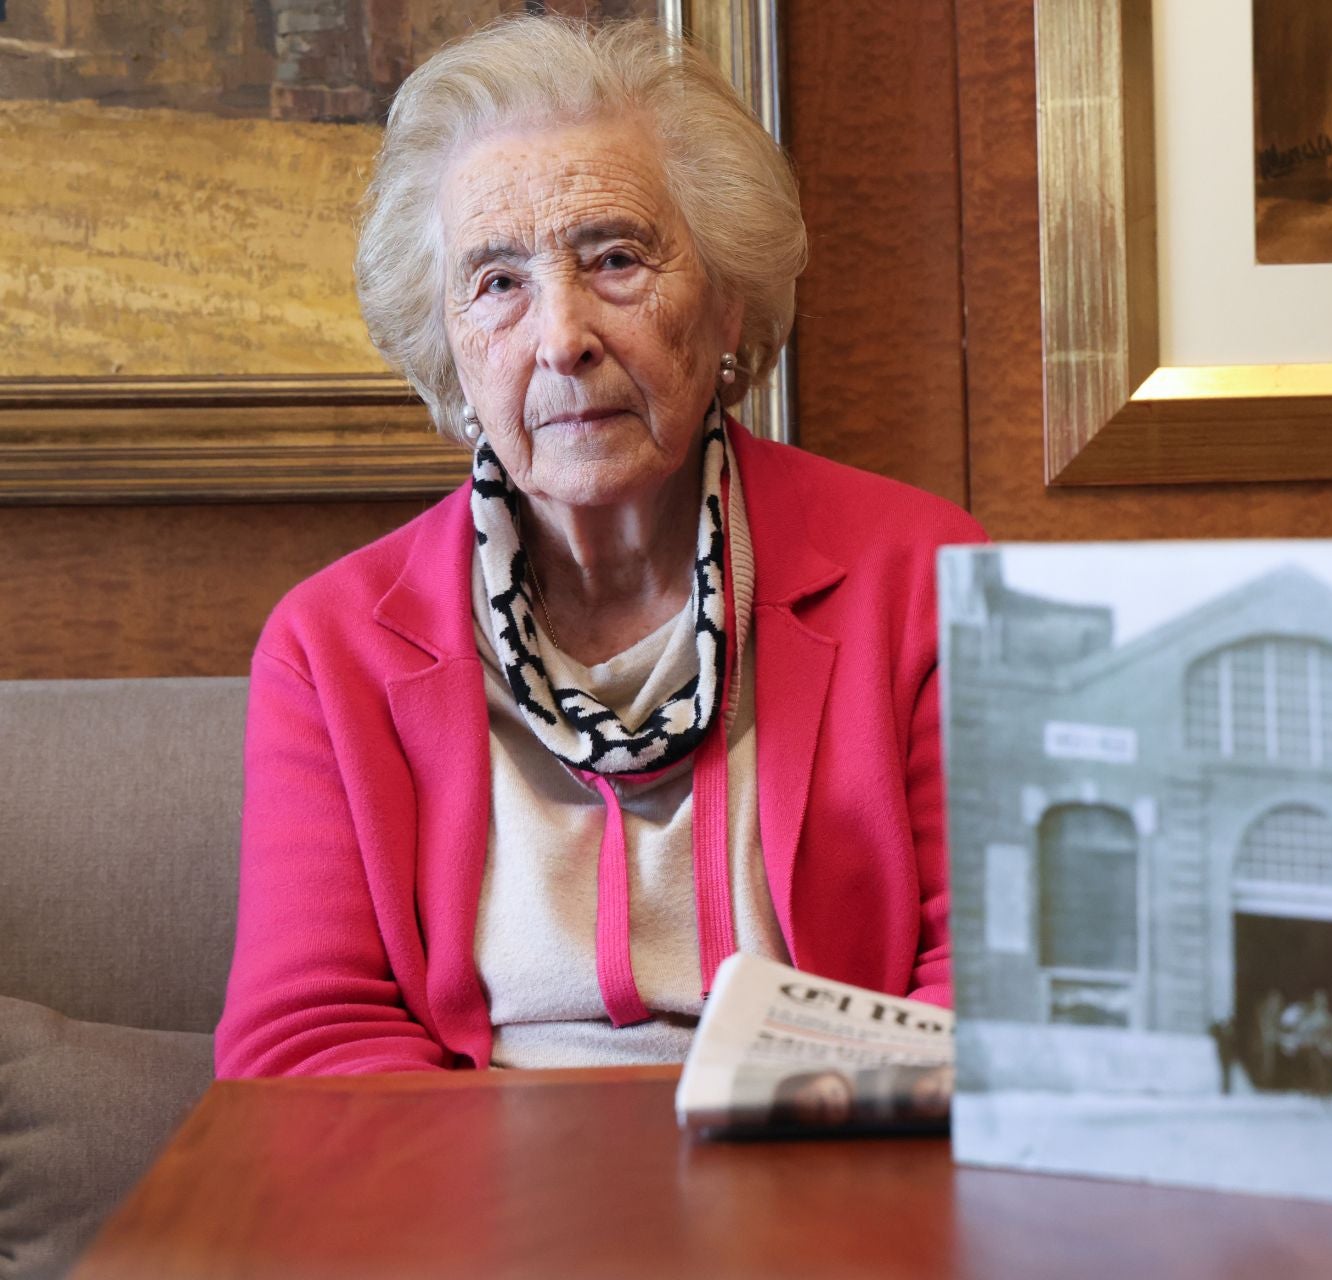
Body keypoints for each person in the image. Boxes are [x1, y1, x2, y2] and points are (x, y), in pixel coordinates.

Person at [214, 15, 984, 1078]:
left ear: (725, 305)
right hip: (476, 1216)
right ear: (450, 345)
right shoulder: (332, 646)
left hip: (824, 1176)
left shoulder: (925, 581)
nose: (562, 335)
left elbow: (991, 984)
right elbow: (306, 1042)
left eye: (615, 258)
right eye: (498, 283)